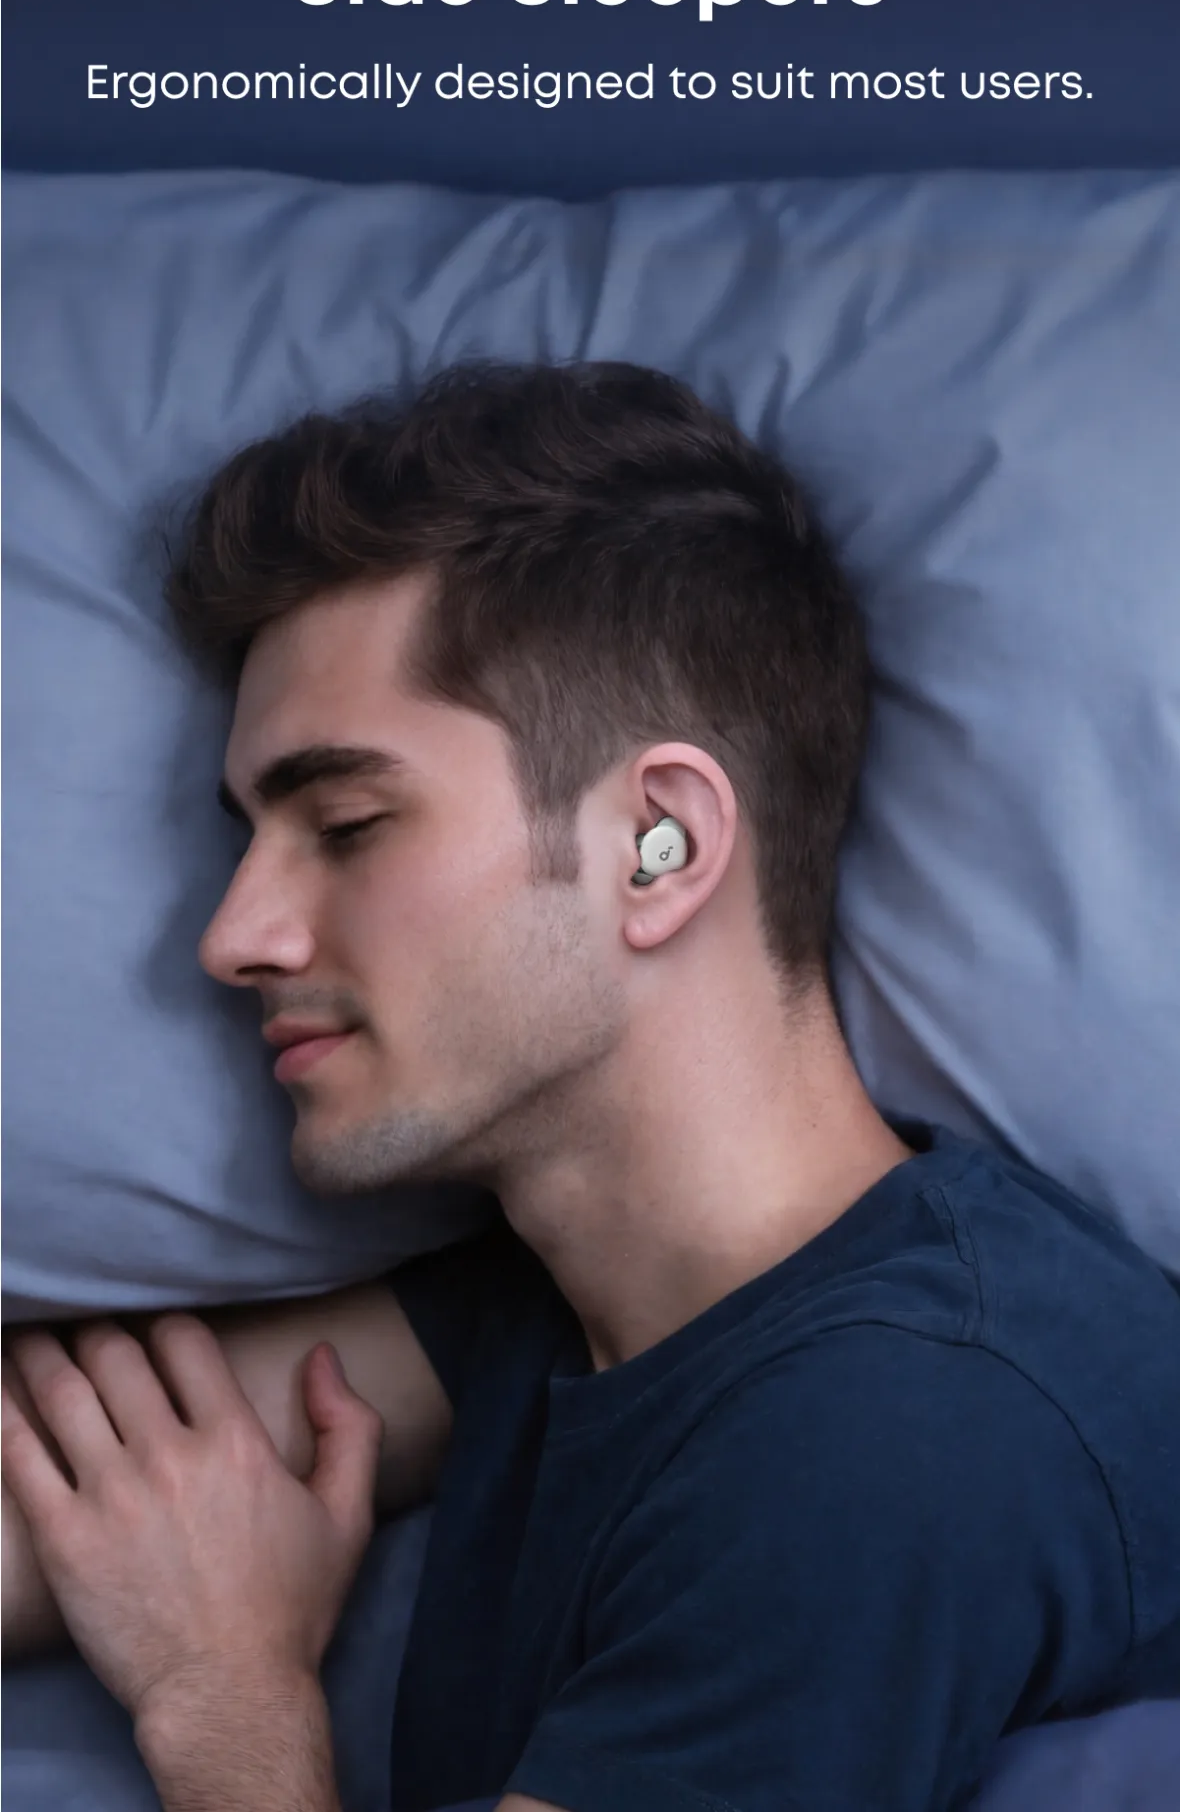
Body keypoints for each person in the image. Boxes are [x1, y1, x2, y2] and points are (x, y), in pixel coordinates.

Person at [3, 359, 1179, 1812]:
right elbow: (66, 1492)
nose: (233, 935)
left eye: (347, 824)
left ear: (657, 846)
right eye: (249, 838)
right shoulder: (593, 1301)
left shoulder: (896, 1438)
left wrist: (223, 1697)